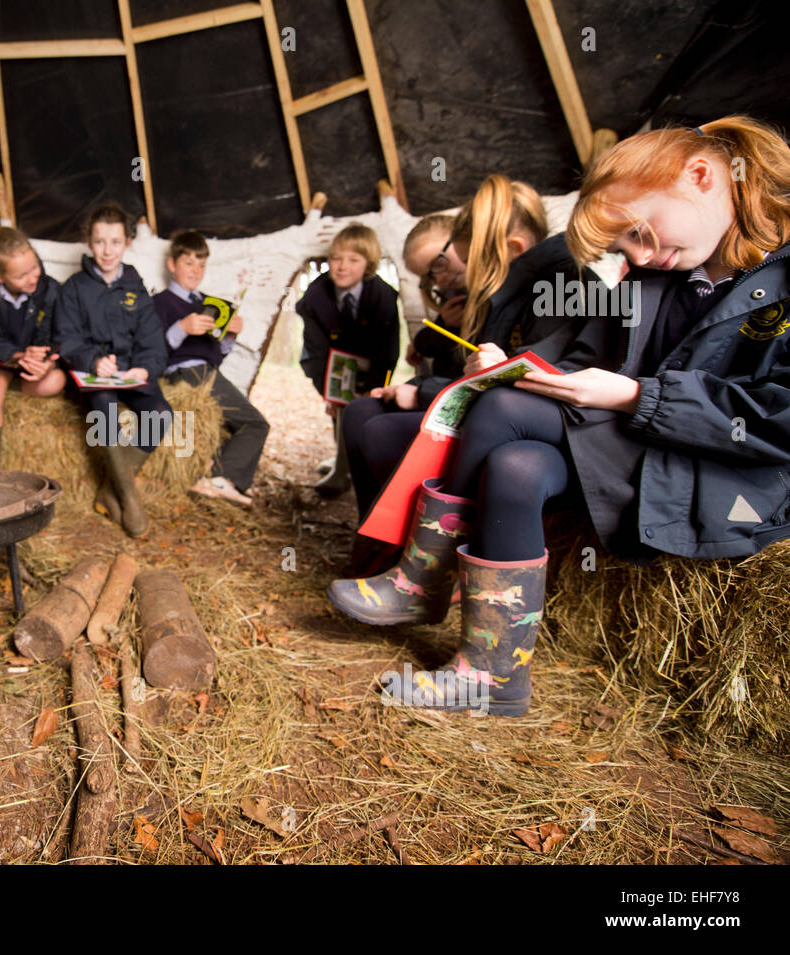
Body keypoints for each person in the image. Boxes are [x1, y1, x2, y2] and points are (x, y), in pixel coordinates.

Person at [329, 116, 790, 717]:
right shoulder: (657, 269)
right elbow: (581, 358)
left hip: (719, 467)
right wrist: (515, 365)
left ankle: (421, 580)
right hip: (634, 442)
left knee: (498, 412)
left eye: (640, 232)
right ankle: (492, 677)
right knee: (517, 465)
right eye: (626, 245)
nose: (639, 253)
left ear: (700, 176)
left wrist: (635, 397)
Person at [340, 177, 585, 578]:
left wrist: (422, 390)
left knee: (380, 431)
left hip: (523, 426)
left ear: (511, 250)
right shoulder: (512, 288)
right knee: (362, 414)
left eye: (463, 260)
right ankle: (380, 545)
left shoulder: (557, 289)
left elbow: (526, 381)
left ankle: (420, 564)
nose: (448, 277)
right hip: (488, 412)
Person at [56, 202, 171, 537]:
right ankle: (131, 500)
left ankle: (110, 489)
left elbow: (154, 342)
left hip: (129, 375)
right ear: (89, 242)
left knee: (161, 413)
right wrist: (93, 360)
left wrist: (144, 369)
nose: (108, 250)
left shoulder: (136, 288)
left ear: (128, 243)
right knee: (104, 406)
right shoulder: (74, 288)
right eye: (100, 241)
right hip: (92, 378)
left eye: (116, 242)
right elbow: (65, 338)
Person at [153, 229, 269, 507]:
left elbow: (212, 356)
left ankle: (215, 478)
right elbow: (152, 354)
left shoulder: (210, 304)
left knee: (239, 422)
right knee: (256, 424)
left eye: (201, 264)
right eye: (188, 263)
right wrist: (181, 328)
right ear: (172, 265)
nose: (195, 271)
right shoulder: (159, 303)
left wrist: (229, 337)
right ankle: (220, 478)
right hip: (183, 373)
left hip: (205, 371)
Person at [296, 223, 401, 496]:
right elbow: (315, 350)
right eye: (336, 258)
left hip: (370, 364)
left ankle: (353, 464)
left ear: (368, 264)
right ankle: (341, 468)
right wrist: (327, 392)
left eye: (353, 260)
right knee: (340, 410)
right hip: (332, 364)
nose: (342, 266)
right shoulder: (315, 297)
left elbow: (387, 349)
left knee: (361, 412)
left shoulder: (383, 295)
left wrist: (375, 385)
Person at [0, 223, 65, 469]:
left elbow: (56, 334)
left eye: (34, 267)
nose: (33, 277)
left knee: (55, 381)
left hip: (33, 362)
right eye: (21, 276)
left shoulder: (49, 290)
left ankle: (11, 390)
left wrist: (44, 361)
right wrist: (16, 355)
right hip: (0, 359)